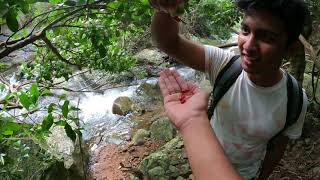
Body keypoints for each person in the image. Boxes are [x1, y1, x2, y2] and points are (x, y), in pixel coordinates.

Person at [151, 0, 309, 179]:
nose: (248, 46)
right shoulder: (223, 64)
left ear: (291, 49)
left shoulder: (295, 99)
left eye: (267, 38)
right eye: (245, 30)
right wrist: (166, 9)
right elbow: (168, 43)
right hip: (202, 163)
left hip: (249, 174)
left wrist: (264, 174)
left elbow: (279, 146)